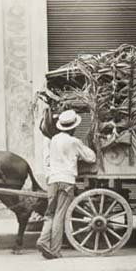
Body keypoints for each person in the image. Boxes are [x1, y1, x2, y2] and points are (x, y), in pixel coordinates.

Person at [36, 109, 96, 259]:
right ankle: (55, 250)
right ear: (73, 127)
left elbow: (48, 159)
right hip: (66, 181)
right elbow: (91, 158)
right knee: (60, 215)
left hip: (52, 181)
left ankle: (43, 240)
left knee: (49, 214)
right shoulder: (74, 142)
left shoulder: (53, 139)